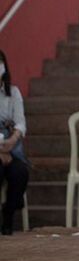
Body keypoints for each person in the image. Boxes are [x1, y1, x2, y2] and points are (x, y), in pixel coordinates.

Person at [0, 49, 28, 235]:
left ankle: (8, 214)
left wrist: (12, 141)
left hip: (10, 148)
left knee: (20, 172)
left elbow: (20, 123)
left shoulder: (13, 93)